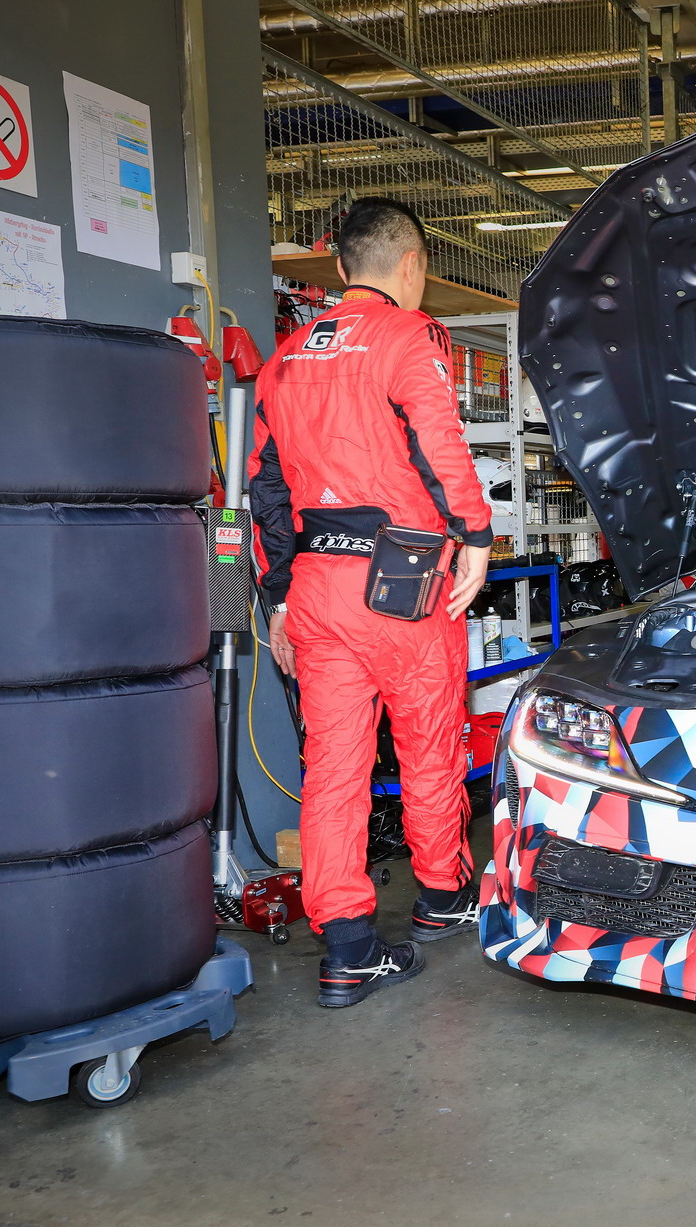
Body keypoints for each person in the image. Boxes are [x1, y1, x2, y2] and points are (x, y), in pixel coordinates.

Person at [248, 197, 494, 1008]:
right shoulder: (409, 339)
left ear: (343, 266)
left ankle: (348, 949)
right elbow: (439, 445)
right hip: (403, 585)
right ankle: (441, 898)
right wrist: (478, 534)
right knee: (428, 748)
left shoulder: (283, 362)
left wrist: (280, 599)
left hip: (317, 587)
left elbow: (265, 492)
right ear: (412, 263)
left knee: (334, 772)